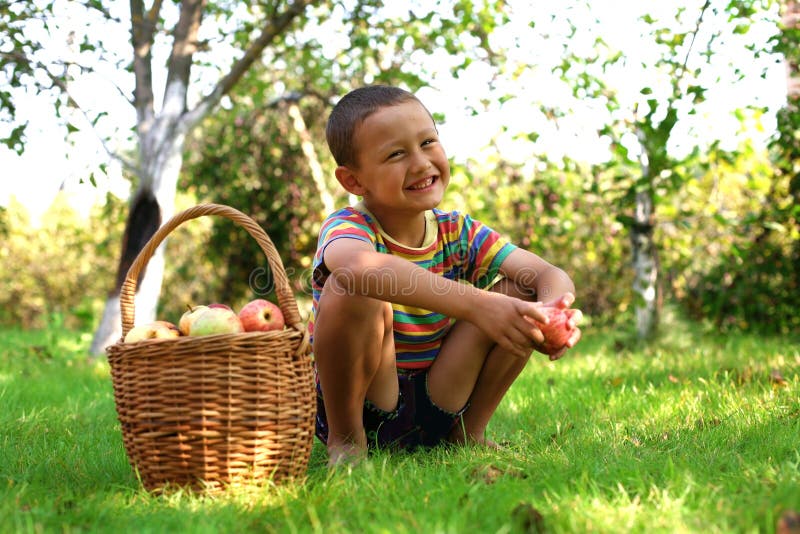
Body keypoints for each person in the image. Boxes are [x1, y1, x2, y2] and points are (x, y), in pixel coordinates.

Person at [310, 85, 582, 465]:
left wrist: (552, 313)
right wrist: (479, 304)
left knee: (522, 291)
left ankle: (467, 434)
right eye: (396, 154)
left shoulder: (457, 231)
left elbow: (546, 274)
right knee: (351, 285)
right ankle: (348, 443)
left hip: (440, 398)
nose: (421, 163)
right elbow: (357, 266)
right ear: (354, 181)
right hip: (372, 400)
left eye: (427, 142)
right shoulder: (349, 226)